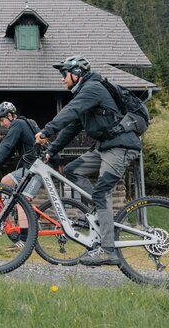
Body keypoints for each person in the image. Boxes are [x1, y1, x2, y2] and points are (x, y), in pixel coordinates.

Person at [35, 56, 142, 266]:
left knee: (101, 193)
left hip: (120, 147)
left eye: (64, 74)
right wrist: (51, 151)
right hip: (105, 147)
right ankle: (99, 210)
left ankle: (108, 250)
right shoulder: (86, 95)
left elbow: (70, 111)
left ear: (77, 74)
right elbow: (71, 128)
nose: (62, 79)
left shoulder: (92, 88)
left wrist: (47, 131)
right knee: (72, 170)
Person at [0, 101, 41, 249]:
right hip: (29, 169)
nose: (1, 124)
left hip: (39, 169)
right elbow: (9, 151)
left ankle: (24, 242)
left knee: (22, 202)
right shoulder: (21, 125)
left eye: (2, 120)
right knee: (6, 181)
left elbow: (7, 145)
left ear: (10, 115)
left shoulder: (18, 124)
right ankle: (17, 211)